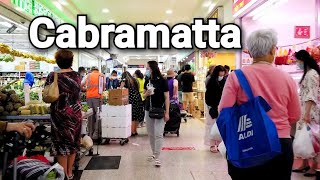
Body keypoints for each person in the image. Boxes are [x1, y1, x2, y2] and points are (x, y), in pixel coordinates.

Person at [218, 29, 301, 180]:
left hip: (247, 142)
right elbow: (295, 115)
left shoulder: (236, 77)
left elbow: (223, 111)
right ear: (272, 50)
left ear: (249, 52)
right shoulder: (287, 78)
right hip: (280, 143)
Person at [45, 49, 82, 179]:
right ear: (71, 61)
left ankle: (62, 174)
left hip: (59, 113)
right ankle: (69, 172)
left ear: (58, 61)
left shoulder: (52, 76)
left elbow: (47, 93)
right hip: (75, 113)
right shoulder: (77, 75)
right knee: (73, 142)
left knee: (61, 143)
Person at [292, 50, 320, 177]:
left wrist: (307, 113)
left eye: (297, 61)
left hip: (311, 112)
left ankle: (314, 166)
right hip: (304, 110)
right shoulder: (307, 73)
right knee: (304, 138)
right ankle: (304, 163)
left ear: (303, 59)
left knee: (312, 139)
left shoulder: (312, 74)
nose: (297, 63)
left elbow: (311, 95)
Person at [143, 61, 170, 167]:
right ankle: (154, 153)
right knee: (151, 134)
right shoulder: (147, 80)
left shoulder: (163, 81)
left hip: (160, 110)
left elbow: (167, 97)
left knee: (159, 134)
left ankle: (157, 157)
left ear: (152, 68)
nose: (147, 70)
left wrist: (167, 112)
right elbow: (143, 96)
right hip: (148, 109)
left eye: (147, 68)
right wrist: (147, 93)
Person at [81, 66, 105, 147]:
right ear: (98, 70)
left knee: (89, 115)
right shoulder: (101, 75)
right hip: (97, 97)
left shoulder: (88, 75)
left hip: (89, 97)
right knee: (98, 115)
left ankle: (90, 135)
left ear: (92, 70)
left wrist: (86, 89)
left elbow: (81, 85)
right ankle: (97, 135)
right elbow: (103, 87)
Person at [204, 65, 226, 153]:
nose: (221, 77)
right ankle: (212, 144)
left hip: (222, 107)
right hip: (212, 107)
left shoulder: (224, 82)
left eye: (222, 75)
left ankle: (219, 144)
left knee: (220, 126)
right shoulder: (211, 82)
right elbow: (208, 97)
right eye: (220, 75)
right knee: (212, 126)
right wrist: (212, 107)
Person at [120, 71, 144, 136]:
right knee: (136, 116)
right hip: (138, 98)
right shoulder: (135, 80)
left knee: (132, 116)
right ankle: (135, 131)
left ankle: (132, 131)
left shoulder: (125, 80)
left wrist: (120, 87)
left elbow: (120, 89)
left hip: (132, 99)